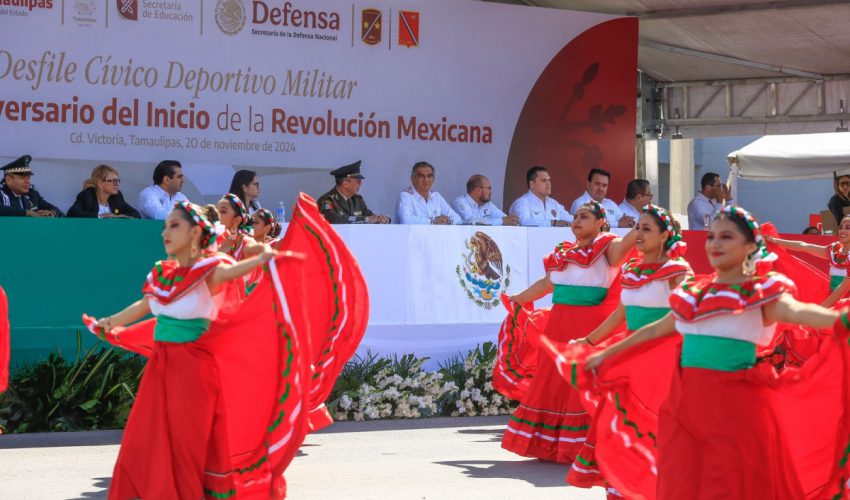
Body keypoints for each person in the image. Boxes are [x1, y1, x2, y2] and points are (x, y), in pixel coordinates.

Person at [581, 206, 850, 499]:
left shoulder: (759, 294)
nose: (715, 244)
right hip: (686, 407)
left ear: (750, 246)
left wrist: (842, 319)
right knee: (686, 483)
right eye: (711, 236)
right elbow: (657, 329)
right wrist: (604, 354)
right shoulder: (695, 294)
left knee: (732, 485)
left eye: (726, 237)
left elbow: (803, 313)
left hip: (737, 410)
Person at [84, 201, 311, 499]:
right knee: (142, 443)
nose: (166, 232)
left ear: (195, 233)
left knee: (185, 448)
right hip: (160, 372)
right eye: (166, 226)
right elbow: (145, 306)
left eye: (174, 225)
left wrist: (264, 255)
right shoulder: (163, 275)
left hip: (194, 373)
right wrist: (108, 324)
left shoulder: (211, 271)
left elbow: (242, 269)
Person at [566, 205, 690, 496]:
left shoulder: (677, 270)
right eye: (637, 227)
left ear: (664, 236)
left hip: (663, 357)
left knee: (653, 424)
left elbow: (684, 314)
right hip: (630, 353)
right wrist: (589, 341)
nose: (638, 234)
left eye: (647, 229)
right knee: (621, 423)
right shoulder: (632, 270)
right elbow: (622, 313)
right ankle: (625, 486)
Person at [501, 200, 636, 463]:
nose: (577, 221)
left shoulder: (608, 247)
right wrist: (519, 298)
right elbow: (545, 284)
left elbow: (628, 244)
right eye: (575, 216)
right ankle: (553, 446)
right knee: (555, 383)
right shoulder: (563, 254)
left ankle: (589, 446)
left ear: (600, 222)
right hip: (558, 328)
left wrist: (645, 221)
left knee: (582, 384)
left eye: (584, 217)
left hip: (590, 329)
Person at [766, 215, 850, 307]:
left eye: (848, 228)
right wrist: (774, 241)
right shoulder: (834, 250)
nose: (842, 231)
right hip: (832, 298)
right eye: (841, 227)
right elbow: (803, 246)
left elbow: (842, 289)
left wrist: (822, 308)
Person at [317, 161, 390, 224]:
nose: (360, 184)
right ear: (345, 183)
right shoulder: (327, 200)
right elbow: (335, 220)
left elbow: (370, 216)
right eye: (358, 181)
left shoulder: (357, 200)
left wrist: (381, 219)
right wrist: (366, 219)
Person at [395, 161, 461, 225]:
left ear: (433, 179)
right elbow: (406, 220)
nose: (426, 180)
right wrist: (434, 221)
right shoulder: (406, 195)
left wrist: (446, 221)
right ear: (413, 179)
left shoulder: (436, 196)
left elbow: (458, 219)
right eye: (421, 176)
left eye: (429, 176)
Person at [67, 164, 141, 219]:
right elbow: (72, 213)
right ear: (101, 184)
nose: (117, 184)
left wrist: (118, 216)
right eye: (114, 181)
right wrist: (101, 217)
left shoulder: (117, 197)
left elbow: (136, 214)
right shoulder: (87, 195)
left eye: (118, 181)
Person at [451, 174, 518, 226]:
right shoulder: (459, 202)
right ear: (478, 190)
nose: (491, 192)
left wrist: (512, 220)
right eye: (489, 188)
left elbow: (505, 218)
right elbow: (471, 222)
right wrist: (501, 221)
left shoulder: (488, 204)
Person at [217, 193, 253, 261]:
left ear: (236, 220)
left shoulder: (246, 244)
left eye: (222, 211)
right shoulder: (210, 243)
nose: (216, 214)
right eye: (215, 210)